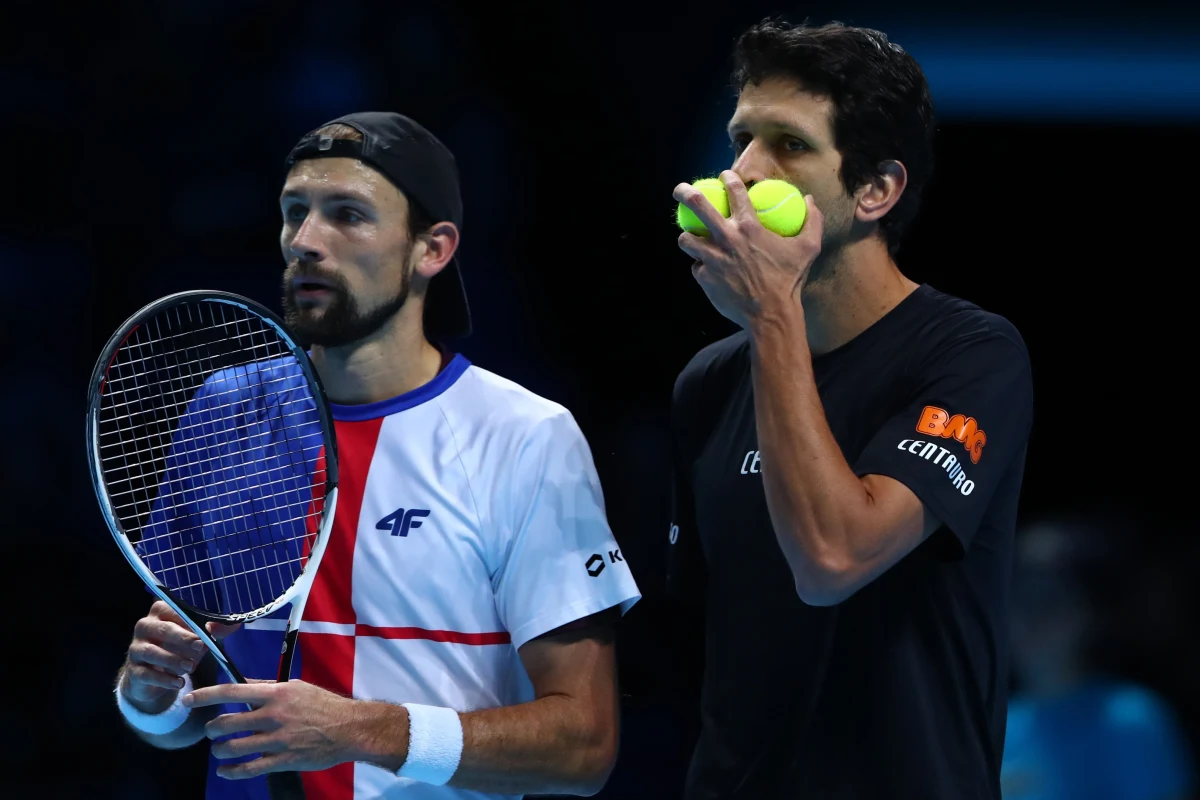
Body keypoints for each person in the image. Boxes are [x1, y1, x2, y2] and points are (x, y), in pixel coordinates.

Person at [111, 111, 641, 799]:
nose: (306, 241)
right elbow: (183, 715)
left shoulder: (525, 436)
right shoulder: (225, 409)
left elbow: (584, 746)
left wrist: (362, 731)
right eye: (294, 212)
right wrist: (146, 694)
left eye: (348, 215)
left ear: (433, 250)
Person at [666, 19, 1035, 799]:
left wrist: (771, 315)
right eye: (742, 138)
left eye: (790, 146)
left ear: (876, 190)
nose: (743, 171)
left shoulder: (971, 355)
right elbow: (701, 643)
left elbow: (834, 560)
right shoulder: (708, 382)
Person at [1001, 515, 1196, 800]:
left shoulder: (1133, 718)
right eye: (1018, 599)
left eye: (1050, 600)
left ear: (1090, 616)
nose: (1031, 619)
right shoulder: (996, 727)